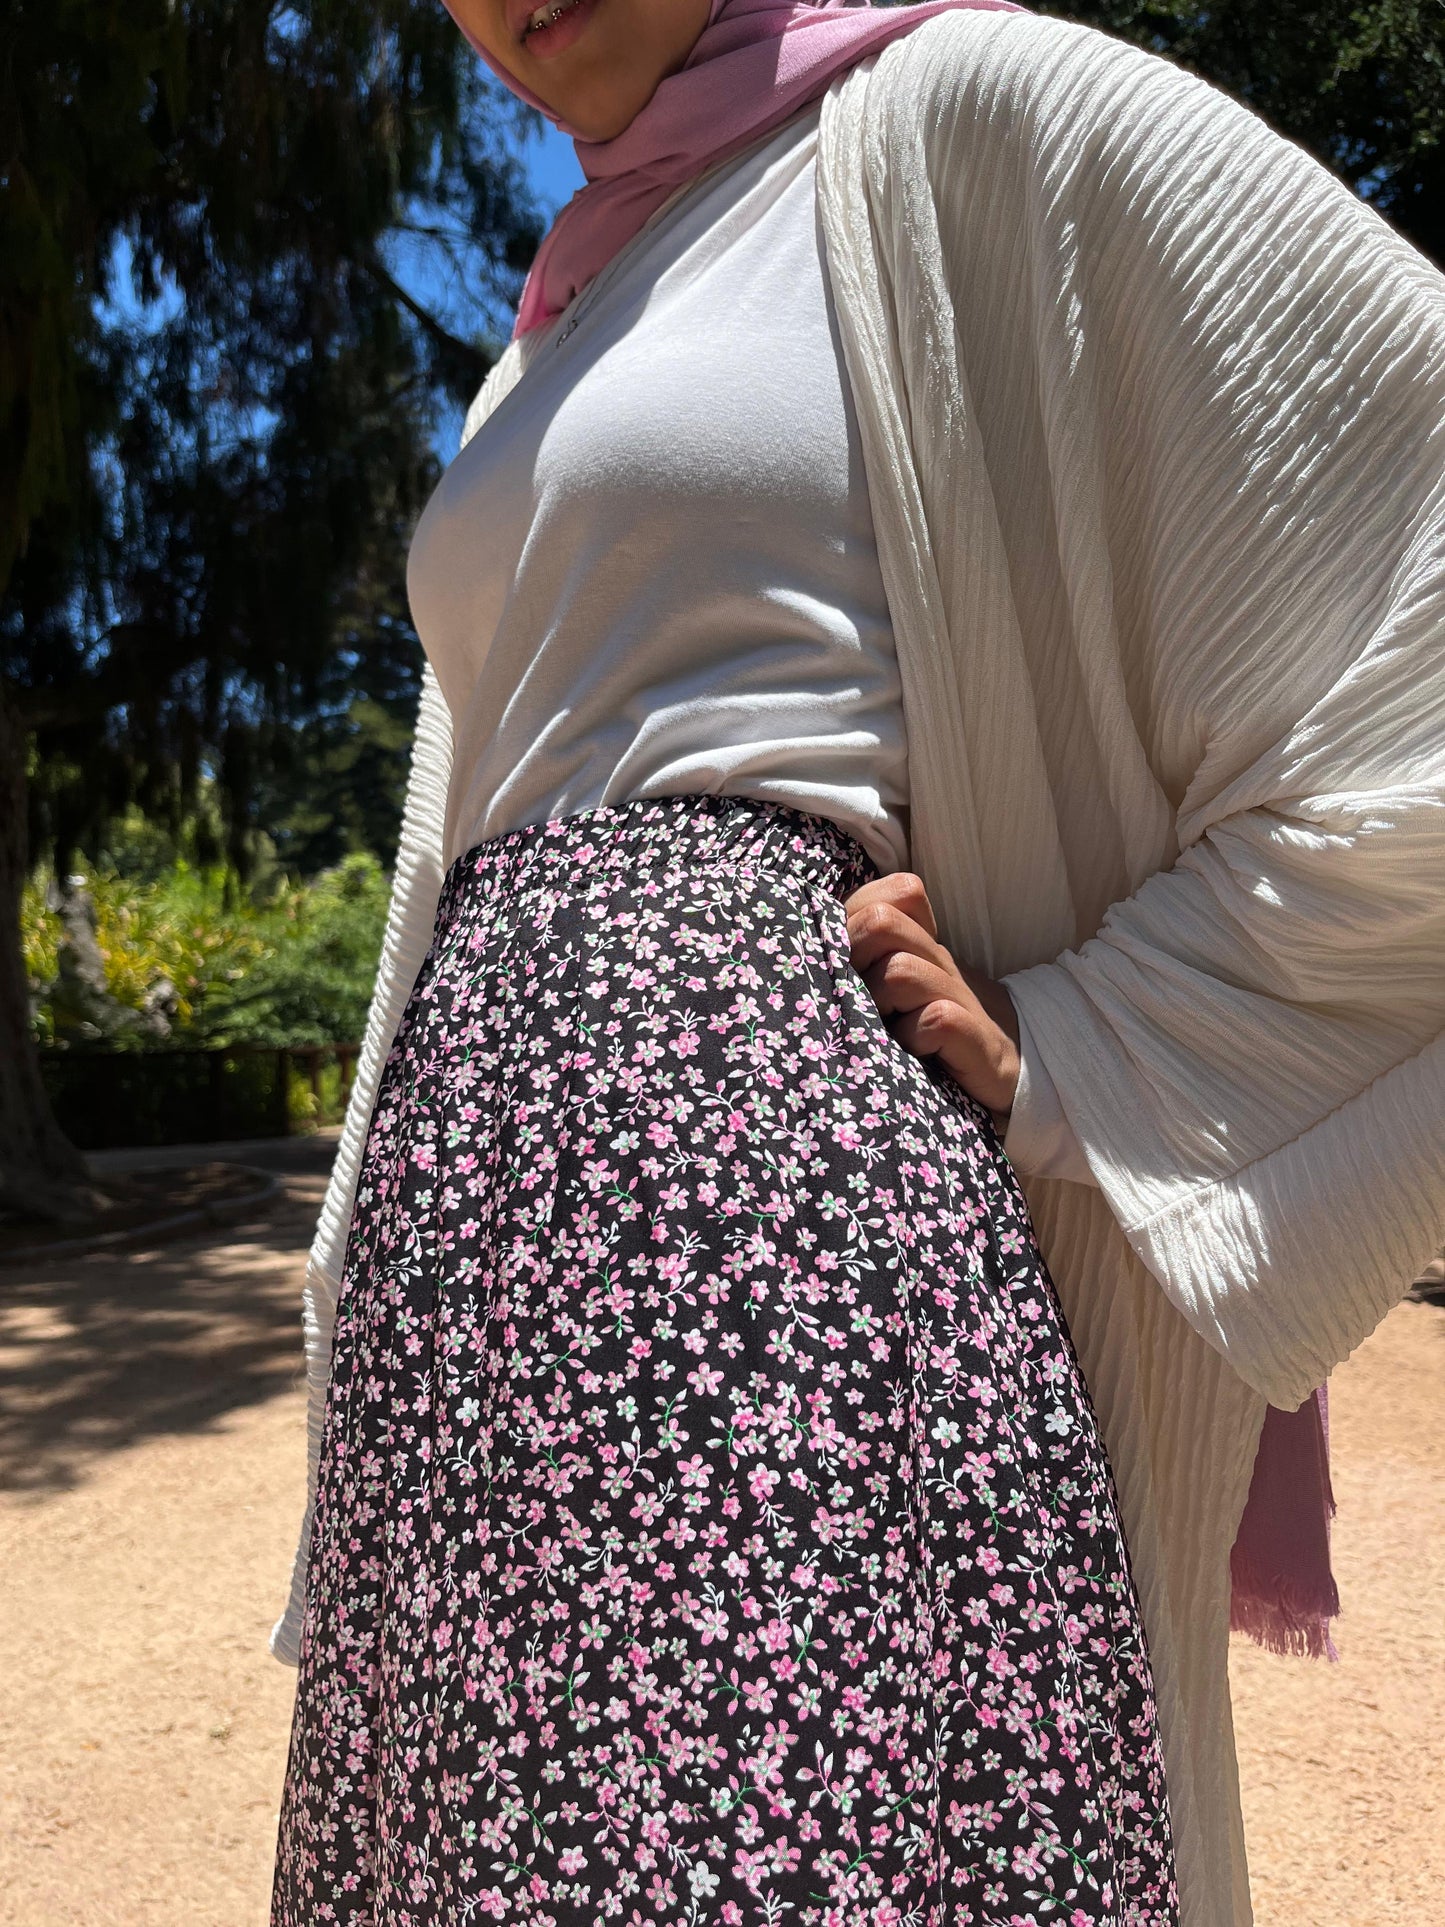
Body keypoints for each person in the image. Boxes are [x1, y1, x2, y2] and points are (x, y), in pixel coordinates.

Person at [268, 4, 1445, 1925]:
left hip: (763, 1228)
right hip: (476, 1255)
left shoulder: (957, 114)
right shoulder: (564, 312)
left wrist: (1100, 1039)